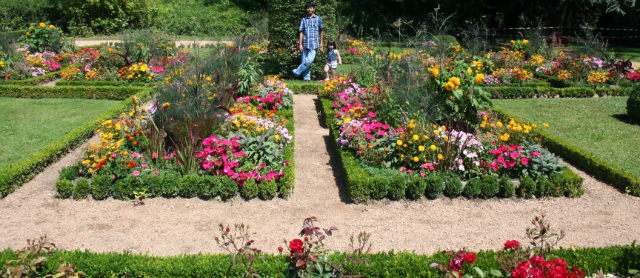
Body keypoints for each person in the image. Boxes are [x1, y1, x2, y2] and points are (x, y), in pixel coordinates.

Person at [292, 1, 323, 82]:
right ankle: (307, 79)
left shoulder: (318, 19)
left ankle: (297, 72)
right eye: (308, 8)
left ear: (314, 8)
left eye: (311, 7)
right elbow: (301, 32)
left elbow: (321, 31)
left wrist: (321, 43)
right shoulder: (303, 19)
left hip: (314, 43)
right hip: (305, 43)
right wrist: (300, 44)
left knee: (309, 60)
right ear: (306, 9)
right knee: (304, 61)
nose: (309, 9)